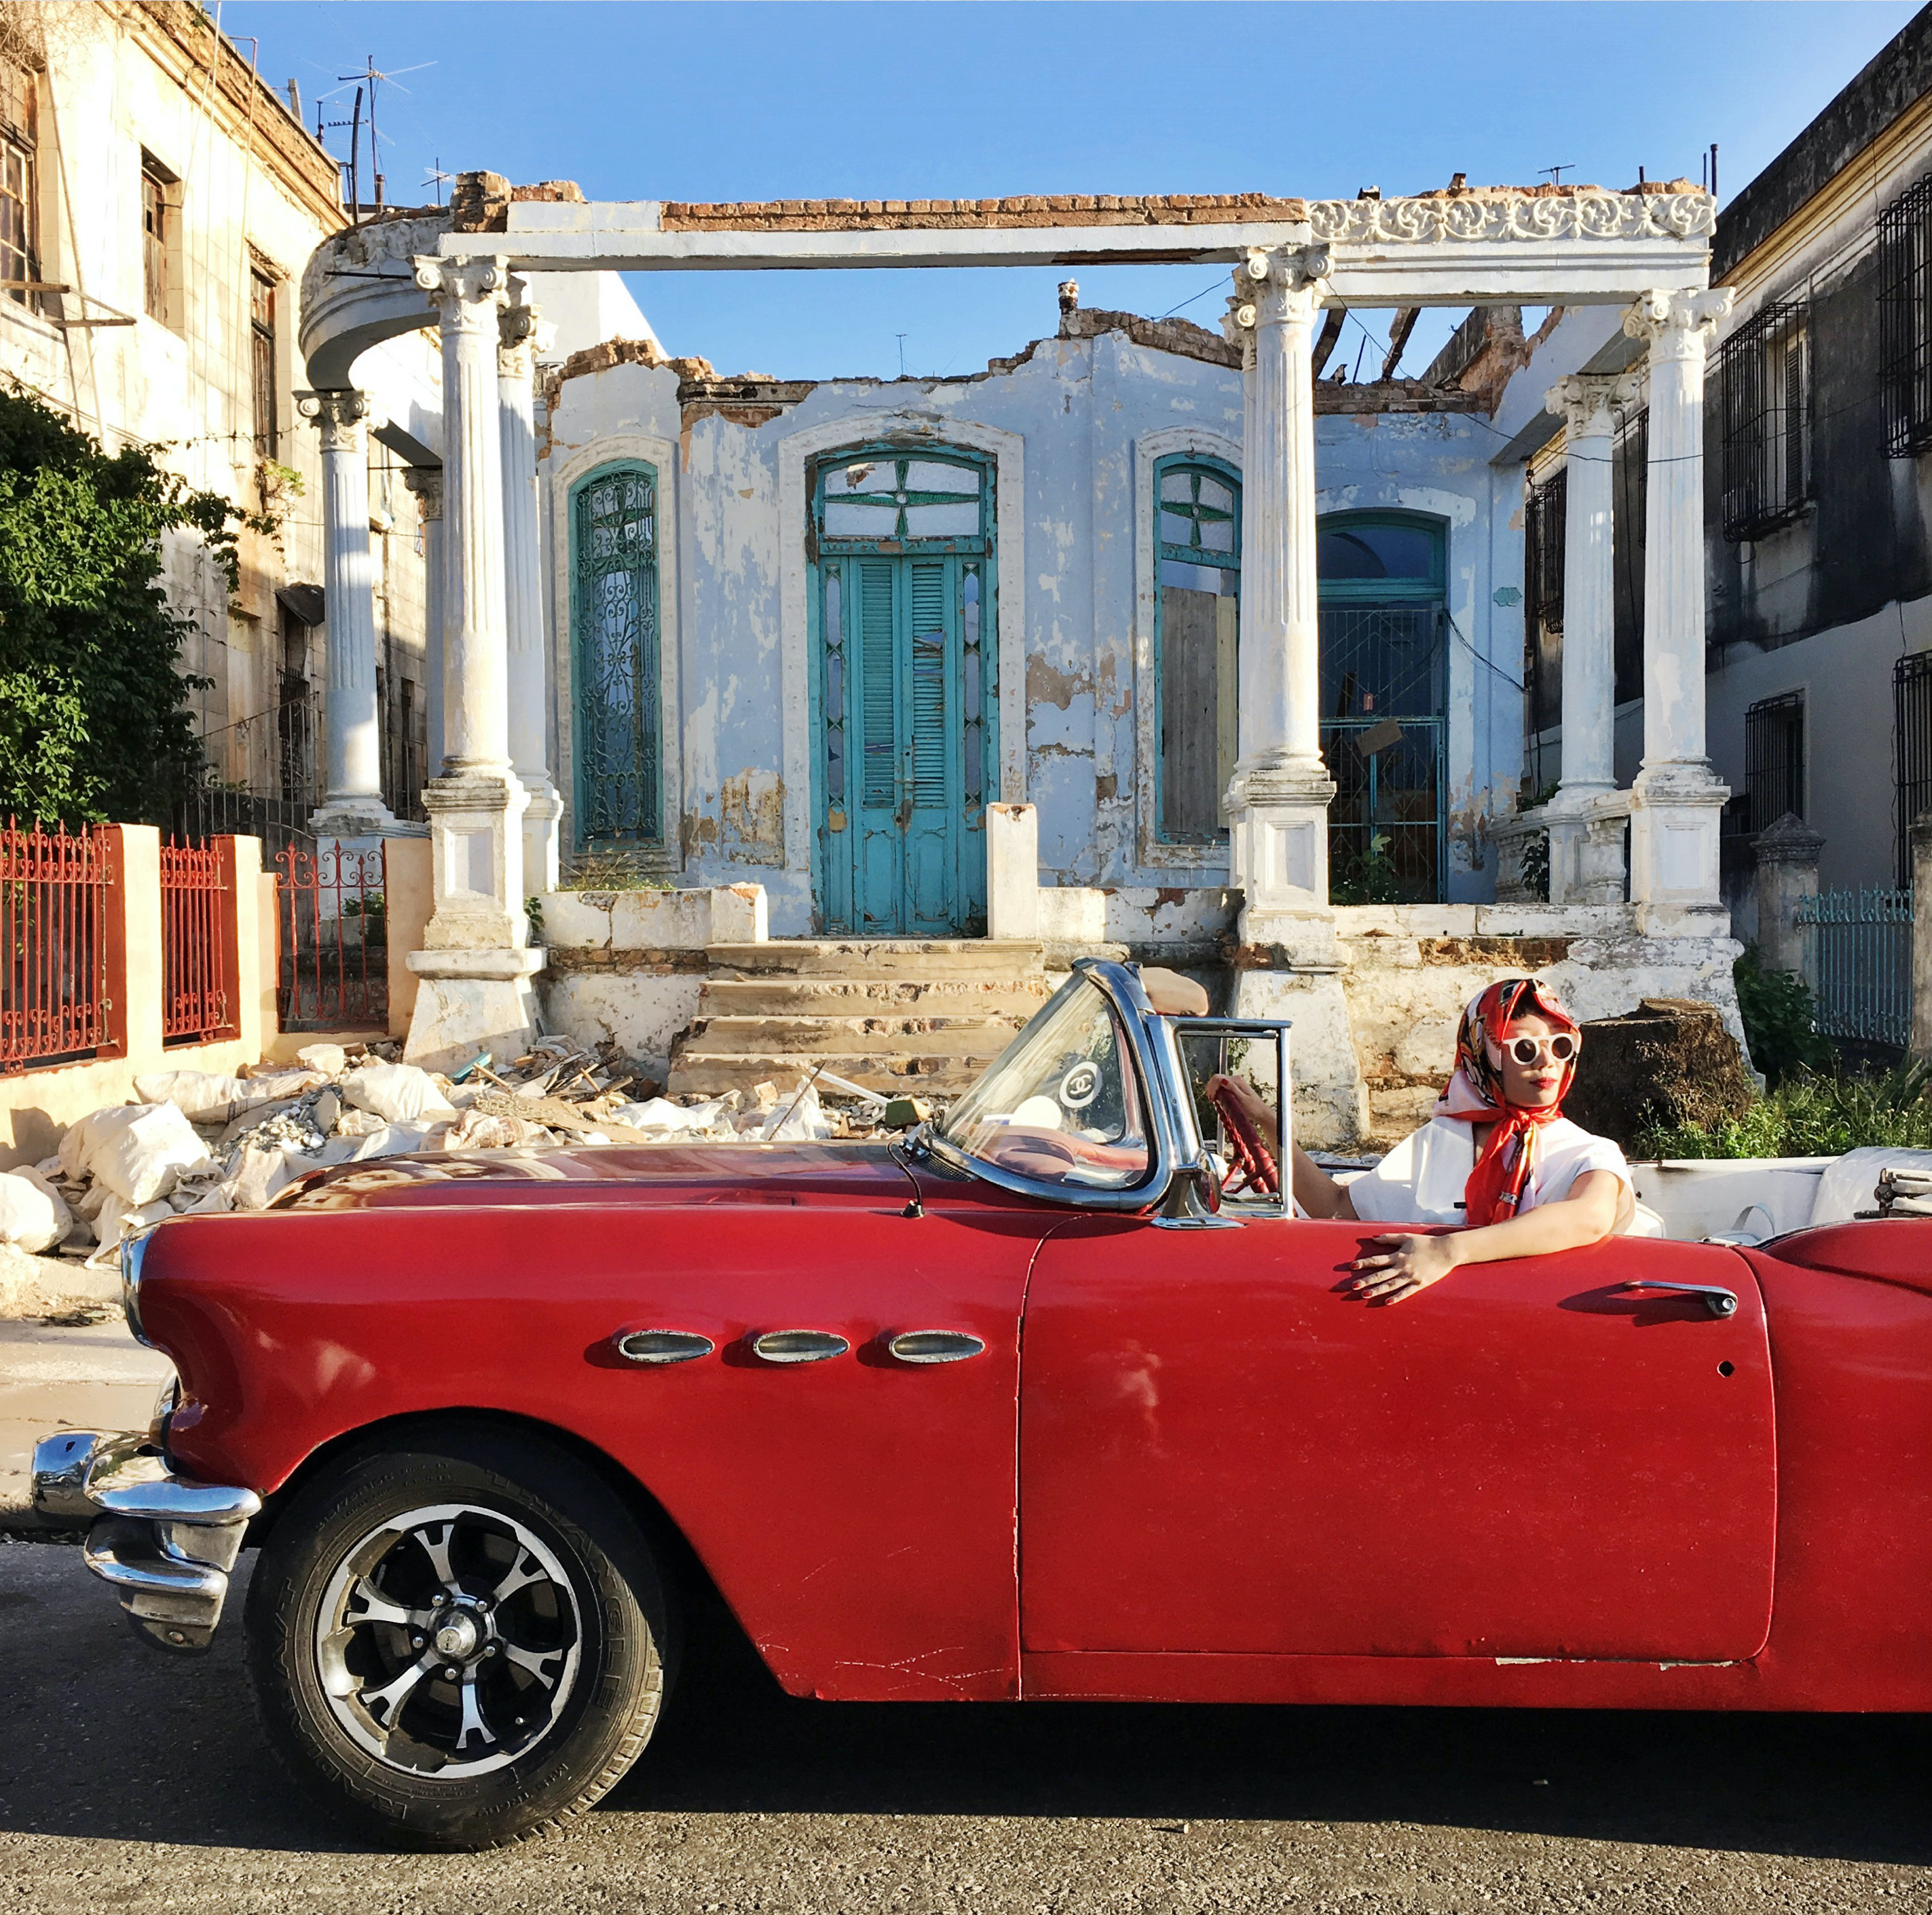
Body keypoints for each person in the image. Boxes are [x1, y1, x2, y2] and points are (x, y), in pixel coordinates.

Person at [1212, 976, 1643, 1305]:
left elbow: (1589, 1216)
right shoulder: (1442, 1138)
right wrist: (1267, 1121)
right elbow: (1337, 1210)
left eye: (1561, 1045)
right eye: (1524, 1050)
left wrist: (1448, 1250)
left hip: (1541, 1323)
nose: (1546, 1063)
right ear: (1484, 1053)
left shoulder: (1587, 1150)